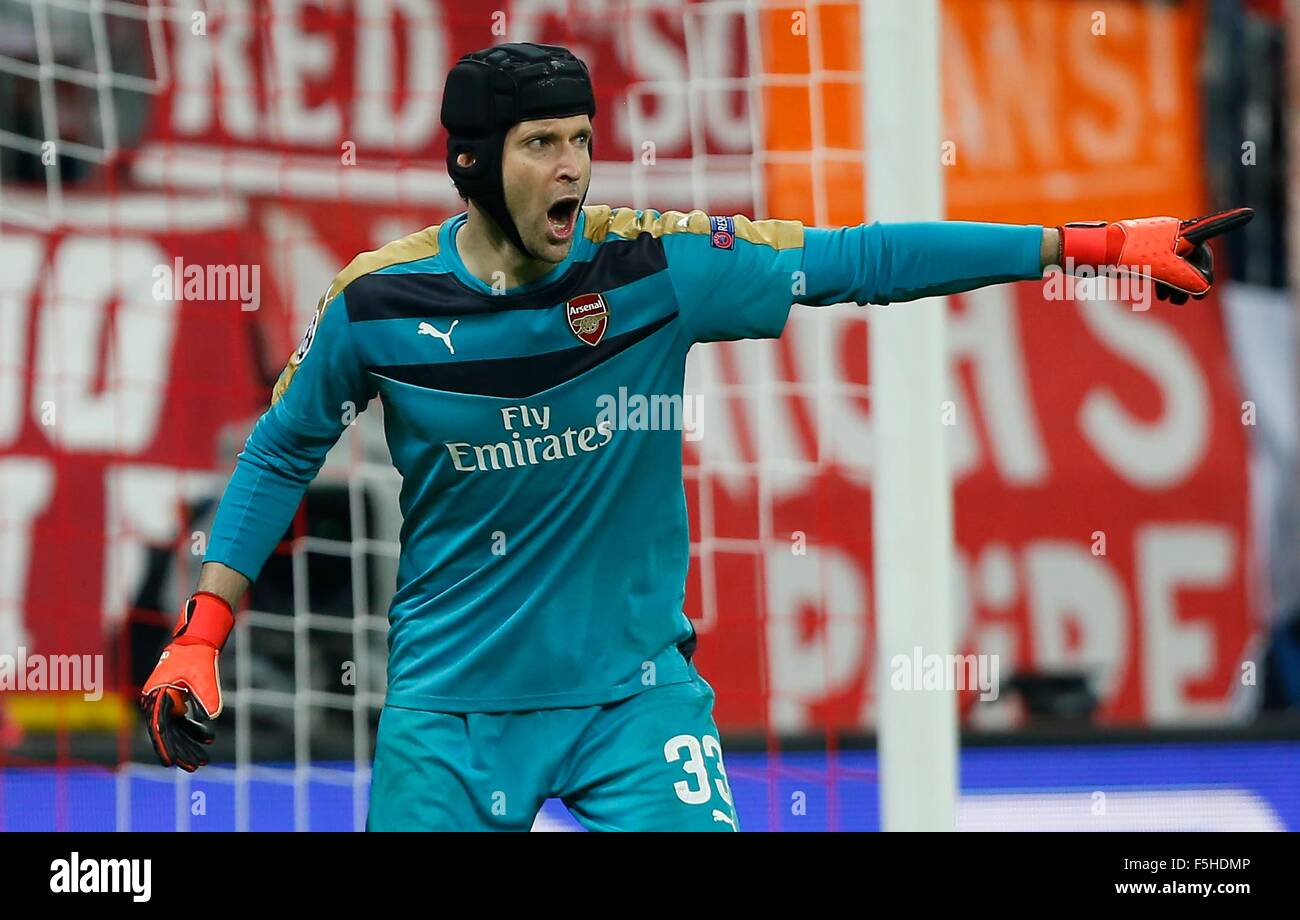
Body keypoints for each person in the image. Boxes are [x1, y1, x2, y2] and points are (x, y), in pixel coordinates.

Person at [140, 42, 1251, 831]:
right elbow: (282, 448)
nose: (573, 168)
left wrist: (1091, 241)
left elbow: (860, 260)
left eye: (581, 139)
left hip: (633, 698)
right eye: (540, 145)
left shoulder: (657, 266)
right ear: (472, 163)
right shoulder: (376, 305)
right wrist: (201, 629)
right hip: (451, 709)